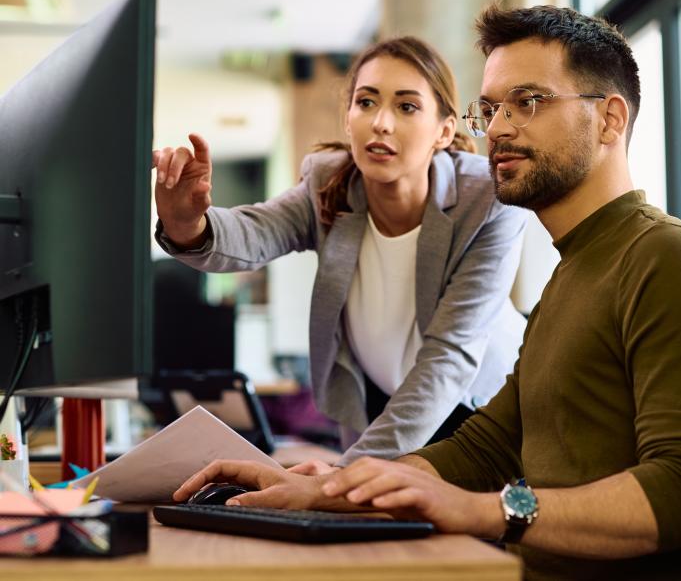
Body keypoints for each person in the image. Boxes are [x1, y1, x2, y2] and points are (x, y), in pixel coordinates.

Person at [173, 5, 681, 580]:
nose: (501, 128)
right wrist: (334, 488)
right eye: (490, 109)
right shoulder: (568, 278)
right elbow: (485, 447)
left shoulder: (669, 259)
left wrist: (488, 511)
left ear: (610, 120)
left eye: (529, 101)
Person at [153, 35, 527, 466]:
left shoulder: (487, 200)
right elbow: (254, 232)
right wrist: (187, 224)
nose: (381, 123)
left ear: (443, 131)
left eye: (406, 107)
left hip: (481, 414)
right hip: (381, 411)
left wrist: (345, 474)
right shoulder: (330, 185)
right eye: (366, 102)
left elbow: (450, 357)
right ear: (348, 119)